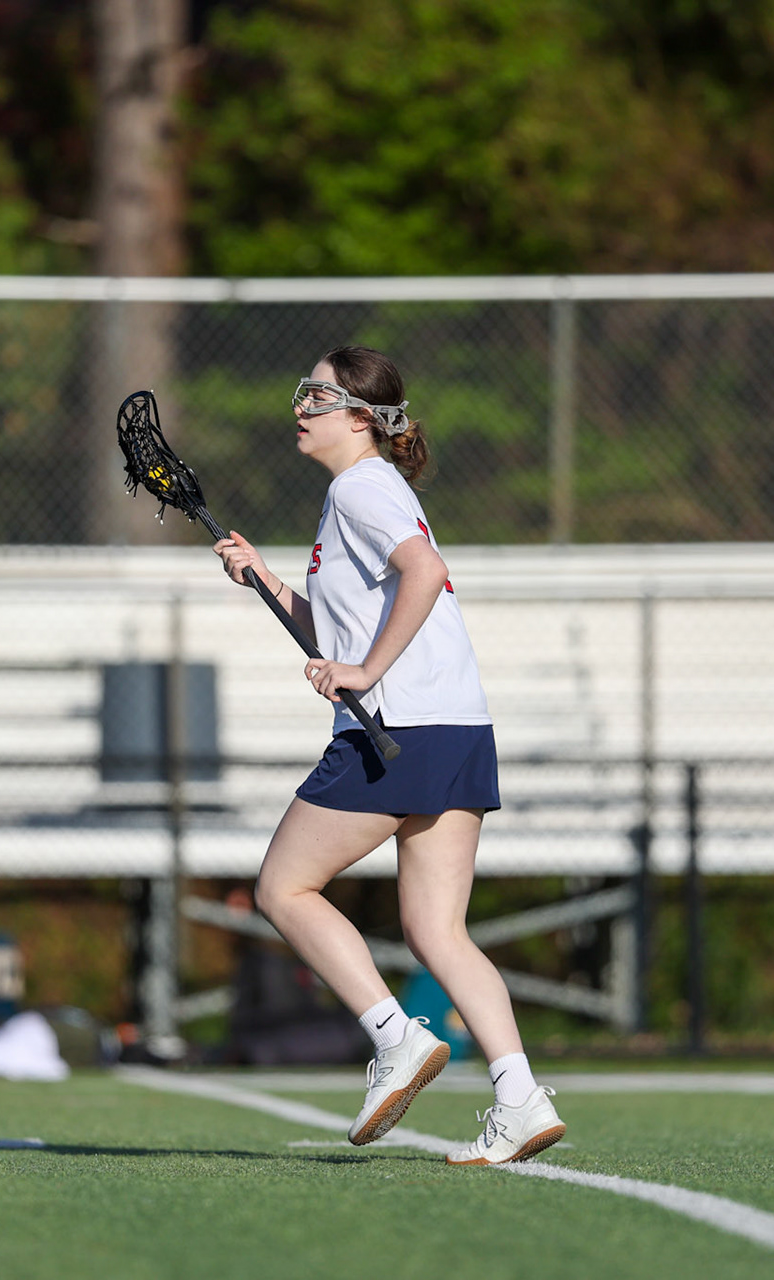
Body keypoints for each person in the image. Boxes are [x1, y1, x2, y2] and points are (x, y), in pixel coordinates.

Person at [212, 346, 565, 1166]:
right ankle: (519, 1099)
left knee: (283, 887)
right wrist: (263, 578)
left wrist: (366, 673)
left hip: (398, 729)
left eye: (318, 395)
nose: (300, 406)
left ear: (361, 417)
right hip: (457, 729)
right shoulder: (365, 495)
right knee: (438, 929)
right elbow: (339, 632)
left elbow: (423, 571)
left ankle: (395, 1037)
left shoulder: (359, 487)